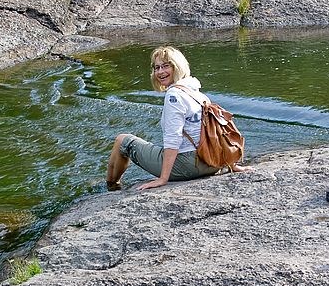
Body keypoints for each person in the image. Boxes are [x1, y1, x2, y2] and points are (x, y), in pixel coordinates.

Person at [106, 46, 249, 191]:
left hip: (189, 166)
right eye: (157, 68)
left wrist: (163, 179)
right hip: (211, 163)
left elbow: (173, 138)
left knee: (122, 141)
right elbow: (217, 132)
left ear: (177, 67)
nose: (160, 72)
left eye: (166, 66)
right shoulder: (197, 93)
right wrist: (231, 164)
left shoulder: (174, 95)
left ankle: (111, 187)